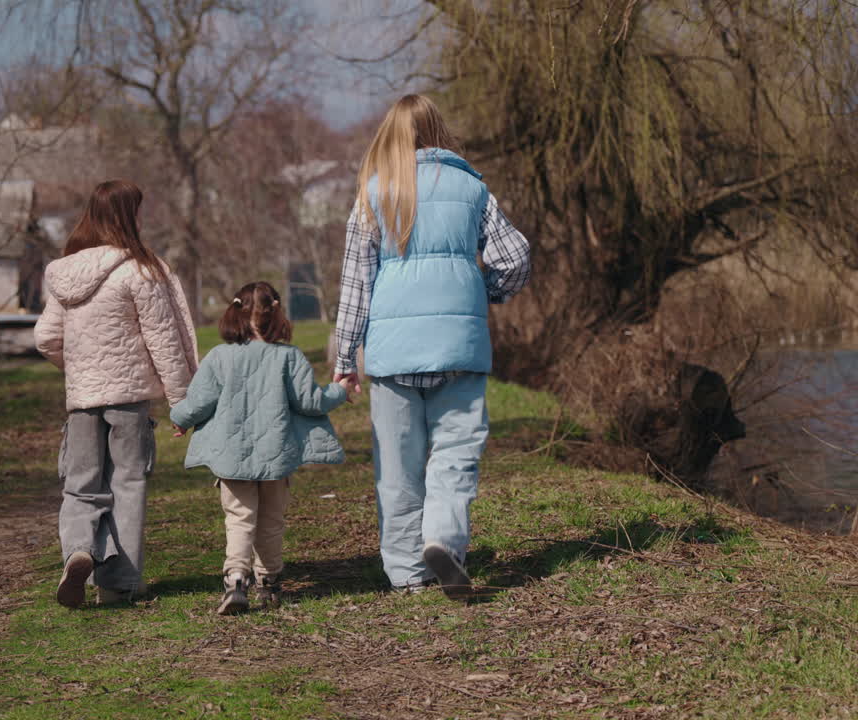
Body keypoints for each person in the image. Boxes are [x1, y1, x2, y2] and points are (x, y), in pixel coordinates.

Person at [332, 94, 531, 598]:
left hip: (393, 352)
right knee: (455, 453)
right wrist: (483, 294)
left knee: (397, 465)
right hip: (458, 346)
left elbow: (355, 285)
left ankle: (406, 574)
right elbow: (515, 257)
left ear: (389, 136)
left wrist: (344, 359)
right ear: (439, 130)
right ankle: (442, 538)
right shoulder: (471, 188)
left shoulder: (373, 194)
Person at [34, 179, 198, 608]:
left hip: (82, 400)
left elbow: (46, 338)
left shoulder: (64, 272)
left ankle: (80, 551)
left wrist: (80, 372)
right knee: (127, 485)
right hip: (129, 401)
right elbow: (163, 341)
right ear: (129, 216)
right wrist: (182, 404)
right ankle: (117, 584)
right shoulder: (141, 270)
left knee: (81, 486)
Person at [170, 281, 351, 615]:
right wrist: (339, 391)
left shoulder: (220, 357)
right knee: (271, 521)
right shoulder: (289, 357)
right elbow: (310, 401)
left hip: (231, 457)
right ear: (278, 314)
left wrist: (179, 418)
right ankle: (268, 582)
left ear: (234, 313)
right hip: (276, 455)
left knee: (239, 518)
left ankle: (236, 578)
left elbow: (199, 402)